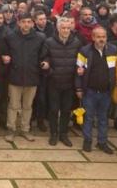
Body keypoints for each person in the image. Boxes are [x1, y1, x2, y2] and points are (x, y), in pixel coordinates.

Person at [3, 13, 46, 142]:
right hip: (15, 77)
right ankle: (11, 129)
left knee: (28, 106)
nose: (26, 24)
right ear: (19, 23)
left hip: (32, 77)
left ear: (32, 23)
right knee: (13, 105)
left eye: (28, 22)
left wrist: (45, 62)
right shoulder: (10, 37)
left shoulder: (40, 38)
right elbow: (5, 53)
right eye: (23, 22)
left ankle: (25, 129)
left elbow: (44, 55)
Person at [75, 26, 116, 154]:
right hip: (90, 92)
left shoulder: (113, 50)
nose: (101, 39)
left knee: (103, 119)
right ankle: (87, 141)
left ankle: (102, 142)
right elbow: (78, 71)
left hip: (106, 92)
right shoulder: (85, 51)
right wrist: (79, 88)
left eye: (103, 37)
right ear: (93, 38)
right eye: (98, 37)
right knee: (88, 118)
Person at [44, 15, 80, 146]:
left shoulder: (76, 42)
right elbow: (45, 58)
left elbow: (79, 61)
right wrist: (49, 70)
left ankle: (63, 134)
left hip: (69, 82)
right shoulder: (49, 42)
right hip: (54, 82)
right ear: (58, 28)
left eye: (68, 28)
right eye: (63, 28)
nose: (65, 30)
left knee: (66, 110)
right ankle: (53, 133)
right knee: (53, 109)